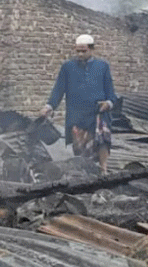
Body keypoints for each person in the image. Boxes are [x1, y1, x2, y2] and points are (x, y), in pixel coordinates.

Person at [40, 34, 117, 175]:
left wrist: (108, 103)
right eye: (78, 51)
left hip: (98, 112)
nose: (80, 54)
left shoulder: (103, 66)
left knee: (102, 139)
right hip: (77, 114)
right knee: (79, 147)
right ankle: (85, 173)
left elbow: (111, 93)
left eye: (84, 51)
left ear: (92, 49)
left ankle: (103, 170)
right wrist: (49, 106)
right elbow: (58, 89)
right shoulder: (67, 67)